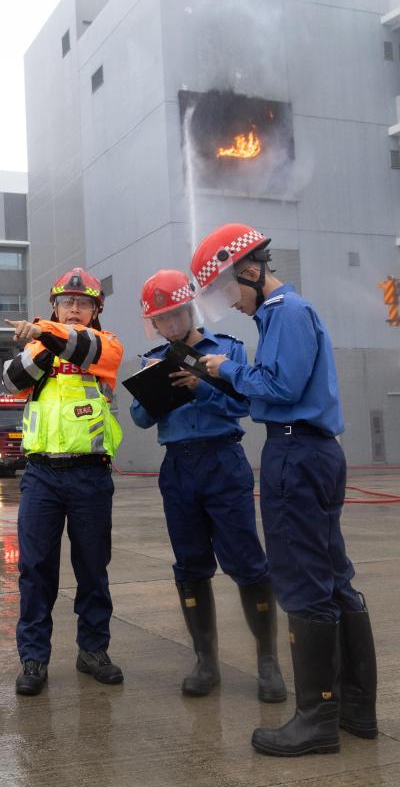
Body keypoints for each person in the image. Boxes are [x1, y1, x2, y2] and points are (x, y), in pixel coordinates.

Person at [193, 223, 377, 757]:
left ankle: (316, 720)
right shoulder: (281, 315)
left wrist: (228, 367)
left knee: (302, 581)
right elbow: (272, 387)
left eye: (229, 288)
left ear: (250, 270)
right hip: (308, 451)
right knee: (333, 577)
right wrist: (224, 377)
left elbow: (281, 386)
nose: (231, 301)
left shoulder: (287, 313)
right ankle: (354, 708)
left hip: (296, 454)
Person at [129, 269, 286, 703]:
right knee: (190, 563)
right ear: (153, 323)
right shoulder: (152, 359)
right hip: (178, 466)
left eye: (176, 314)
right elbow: (140, 420)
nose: (170, 325)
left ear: (190, 310)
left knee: (246, 561)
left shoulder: (227, 350)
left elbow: (245, 404)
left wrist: (201, 388)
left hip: (222, 460)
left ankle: (268, 661)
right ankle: (206, 661)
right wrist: (152, 389)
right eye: (162, 319)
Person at [2, 267, 124, 696]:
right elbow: (12, 380)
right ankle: (34, 658)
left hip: (90, 474)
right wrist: (42, 343)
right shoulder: (37, 347)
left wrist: (45, 332)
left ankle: (93, 651)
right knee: (35, 569)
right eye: (67, 302)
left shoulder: (105, 345)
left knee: (92, 567)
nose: (74, 309)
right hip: (41, 476)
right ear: (55, 306)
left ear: (96, 311)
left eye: (83, 303)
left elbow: (83, 346)